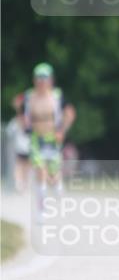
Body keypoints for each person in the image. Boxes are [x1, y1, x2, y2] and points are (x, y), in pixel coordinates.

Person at [20, 63, 76, 211]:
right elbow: (21, 114)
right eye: (39, 78)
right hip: (35, 138)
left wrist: (62, 131)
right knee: (40, 170)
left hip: (53, 138)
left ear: (51, 80)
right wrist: (24, 125)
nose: (41, 82)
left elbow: (70, 113)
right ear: (34, 80)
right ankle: (41, 207)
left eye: (45, 78)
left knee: (53, 172)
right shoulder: (28, 96)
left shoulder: (57, 96)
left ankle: (59, 192)